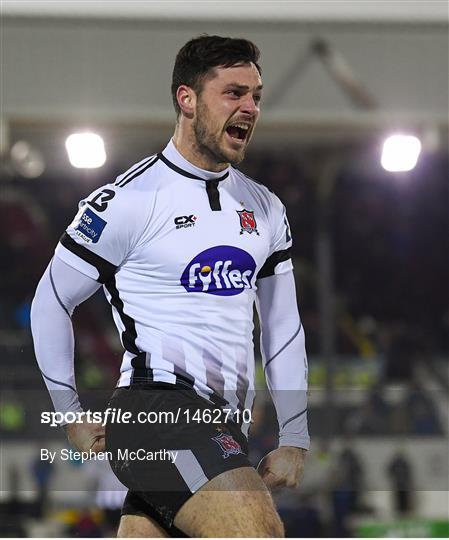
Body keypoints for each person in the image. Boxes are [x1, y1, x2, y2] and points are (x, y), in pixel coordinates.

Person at [31, 35, 310, 537]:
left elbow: (282, 324)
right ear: (187, 99)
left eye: (257, 96)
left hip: (225, 428)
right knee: (258, 531)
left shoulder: (266, 208)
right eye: (234, 93)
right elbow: (50, 301)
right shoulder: (127, 201)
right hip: (155, 410)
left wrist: (295, 434)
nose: (250, 107)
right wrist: (68, 413)